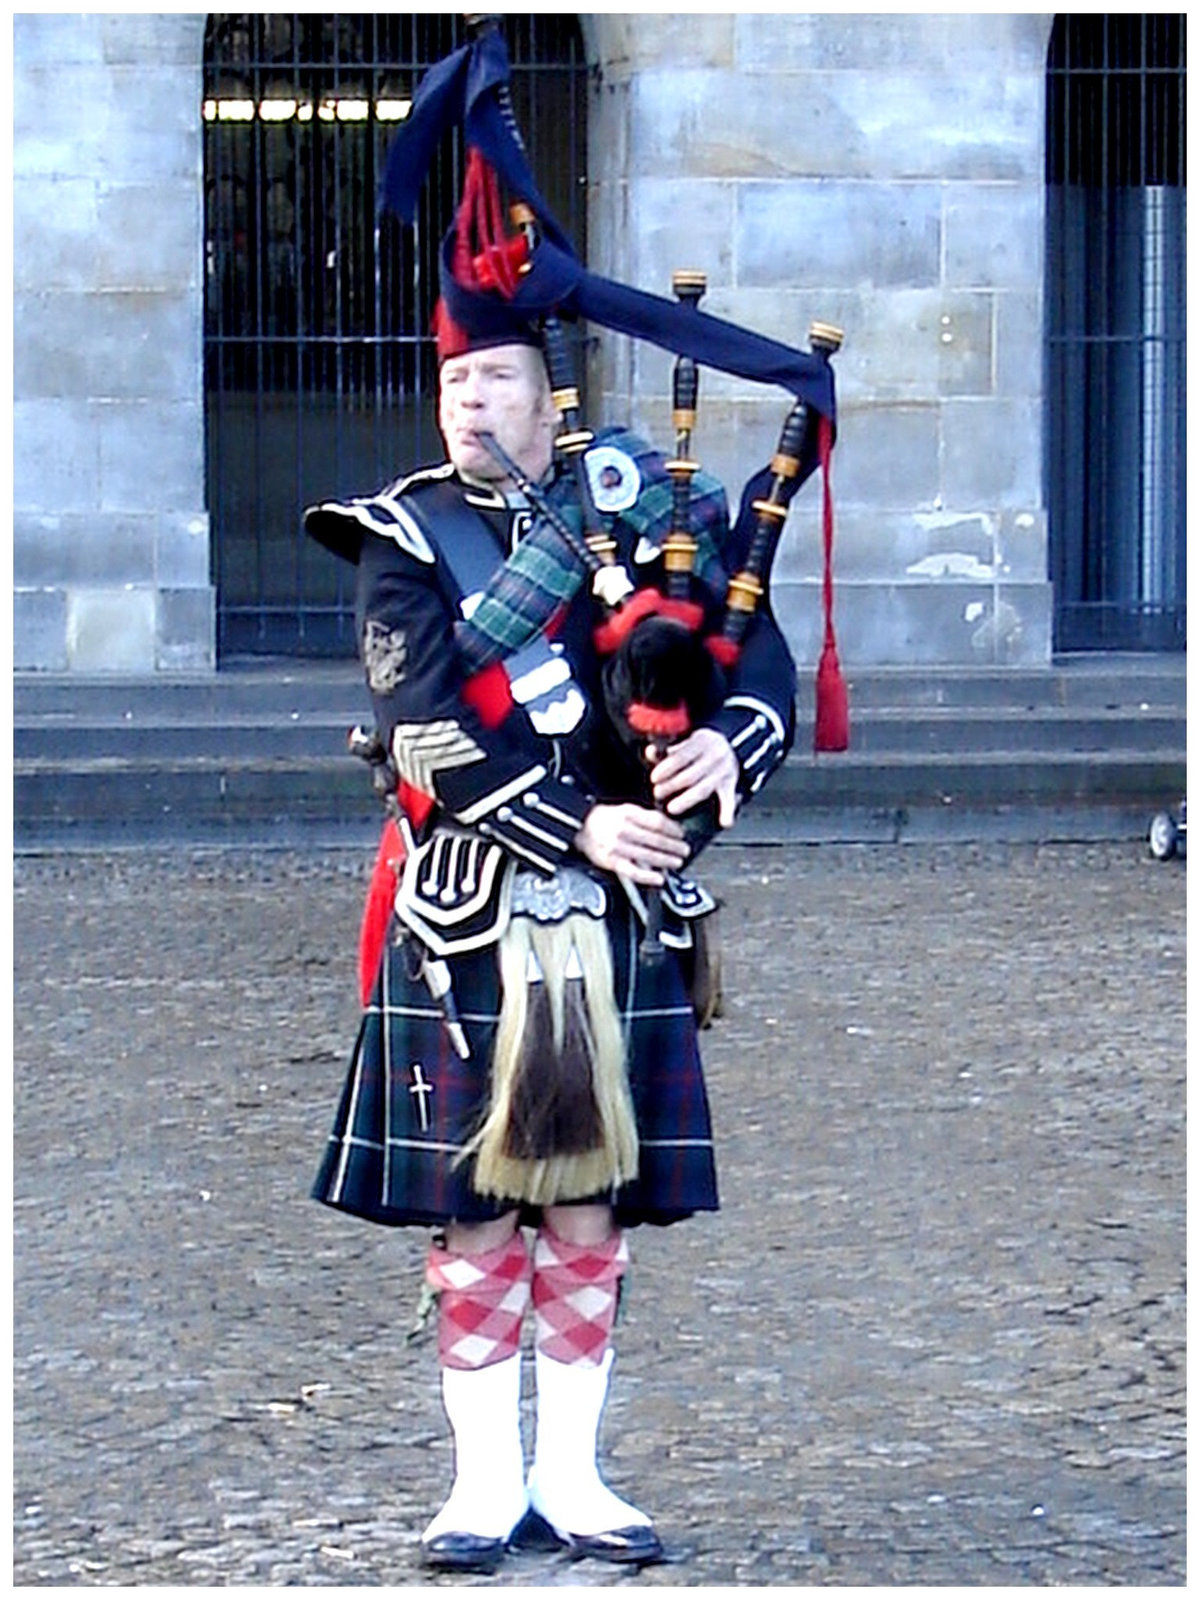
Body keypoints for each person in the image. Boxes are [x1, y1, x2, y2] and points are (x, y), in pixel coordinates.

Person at [305, 312, 798, 1571]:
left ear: (551, 397)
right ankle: (483, 1483)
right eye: (455, 380)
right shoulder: (402, 537)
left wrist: (717, 749)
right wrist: (585, 825)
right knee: (475, 1211)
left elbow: (757, 669)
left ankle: (574, 1476)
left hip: (616, 918)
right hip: (467, 911)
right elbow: (419, 723)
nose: (472, 401)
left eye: (499, 379)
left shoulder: (637, 525)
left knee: (588, 1208)